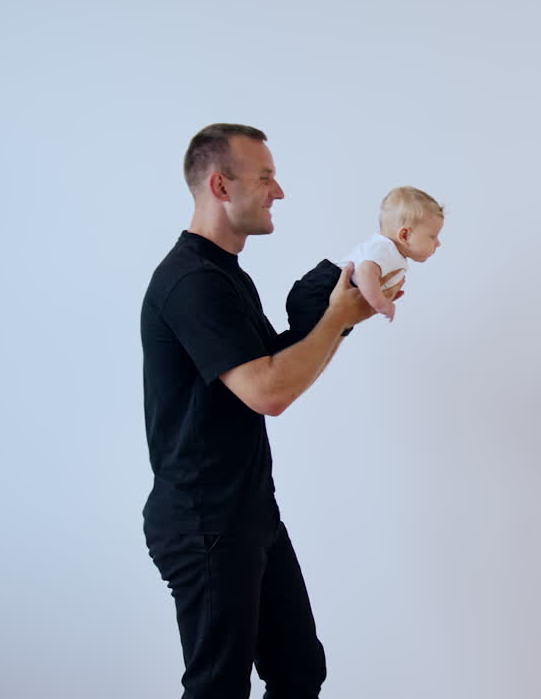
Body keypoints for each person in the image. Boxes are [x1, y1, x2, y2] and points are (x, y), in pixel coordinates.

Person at [140, 123, 403, 698]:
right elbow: (269, 392)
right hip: (204, 519)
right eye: (265, 178)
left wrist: (338, 314)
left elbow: (276, 366)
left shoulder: (224, 276)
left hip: (245, 509)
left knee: (298, 669)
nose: (278, 191)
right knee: (218, 688)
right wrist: (335, 320)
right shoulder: (190, 282)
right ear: (220, 185)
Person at [285, 186, 443, 331]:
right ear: (405, 235)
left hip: (329, 293)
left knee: (307, 340)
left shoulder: (391, 252)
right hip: (323, 288)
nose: (438, 243)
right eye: (433, 237)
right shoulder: (385, 248)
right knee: (306, 341)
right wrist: (382, 304)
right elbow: (364, 272)